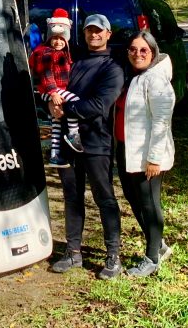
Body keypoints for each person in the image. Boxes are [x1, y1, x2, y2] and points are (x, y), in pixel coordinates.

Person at [48, 14, 124, 280]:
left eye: (99, 31)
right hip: (69, 144)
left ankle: (113, 256)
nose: (94, 35)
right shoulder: (74, 62)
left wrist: (64, 108)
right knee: (72, 197)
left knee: (104, 198)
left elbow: (99, 106)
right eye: (90, 30)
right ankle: (73, 252)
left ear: (108, 34)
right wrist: (51, 103)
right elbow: (55, 87)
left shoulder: (112, 68)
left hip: (96, 143)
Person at [115, 29, 176, 277]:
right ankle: (158, 244)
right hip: (127, 150)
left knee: (150, 204)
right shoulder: (135, 77)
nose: (137, 54)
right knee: (133, 198)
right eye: (133, 49)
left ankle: (152, 258)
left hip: (147, 157)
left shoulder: (156, 80)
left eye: (143, 50)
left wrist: (154, 159)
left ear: (153, 52)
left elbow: (162, 122)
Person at [29, 8, 83, 167]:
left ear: (66, 40)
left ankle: (54, 155)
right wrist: (53, 93)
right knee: (75, 100)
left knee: (56, 123)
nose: (58, 42)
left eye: (61, 39)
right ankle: (73, 134)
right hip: (48, 91)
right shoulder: (46, 53)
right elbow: (46, 74)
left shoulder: (63, 53)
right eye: (55, 38)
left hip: (54, 91)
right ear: (49, 38)